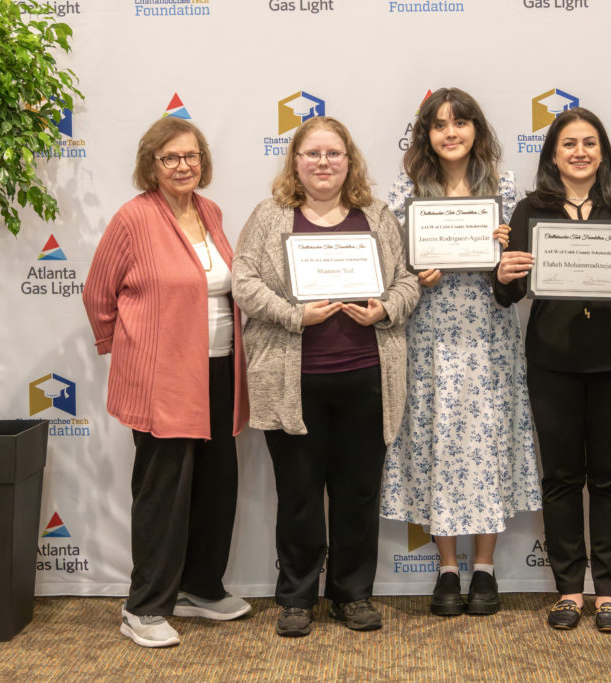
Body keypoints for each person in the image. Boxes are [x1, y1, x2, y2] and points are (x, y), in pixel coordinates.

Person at [232, 116, 419, 638]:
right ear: (295, 161)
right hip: (293, 383)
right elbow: (243, 282)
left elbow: (406, 281)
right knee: (298, 494)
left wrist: (384, 309)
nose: (322, 163)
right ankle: (296, 596)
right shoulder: (270, 217)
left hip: (366, 378)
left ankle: (352, 594)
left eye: (333, 154)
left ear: (349, 160)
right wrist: (296, 315)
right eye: (312, 154)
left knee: (358, 493)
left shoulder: (376, 215)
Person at [83, 117, 251, 649]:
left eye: (191, 156)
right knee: (164, 490)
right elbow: (97, 293)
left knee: (218, 481)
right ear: (150, 165)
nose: (183, 166)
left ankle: (200, 587)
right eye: (171, 158)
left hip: (220, 367)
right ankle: (145, 606)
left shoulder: (211, 211)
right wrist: (127, 350)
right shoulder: (133, 219)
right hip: (163, 375)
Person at [494, 108, 611, 632]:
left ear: (603, 151)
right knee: (562, 477)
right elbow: (509, 294)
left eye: (590, 143)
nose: (580, 152)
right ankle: (569, 590)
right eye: (569, 143)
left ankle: (609, 592)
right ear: (553, 154)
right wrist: (502, 272)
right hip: (552, 359)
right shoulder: (530, 209)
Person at [379, 88, 542, 617]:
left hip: (490, 335)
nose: (451, 133)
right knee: (438, 442)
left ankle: (486, 569)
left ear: (477, 130)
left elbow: (522, 272)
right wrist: (414, 276)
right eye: (440, 125)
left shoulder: (508, 189)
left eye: (461, 123)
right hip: (429, 336)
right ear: (425, 134)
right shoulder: (406, 192)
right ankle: (448, 569)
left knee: (487, 443)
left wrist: (507, 256)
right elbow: (389, 270)